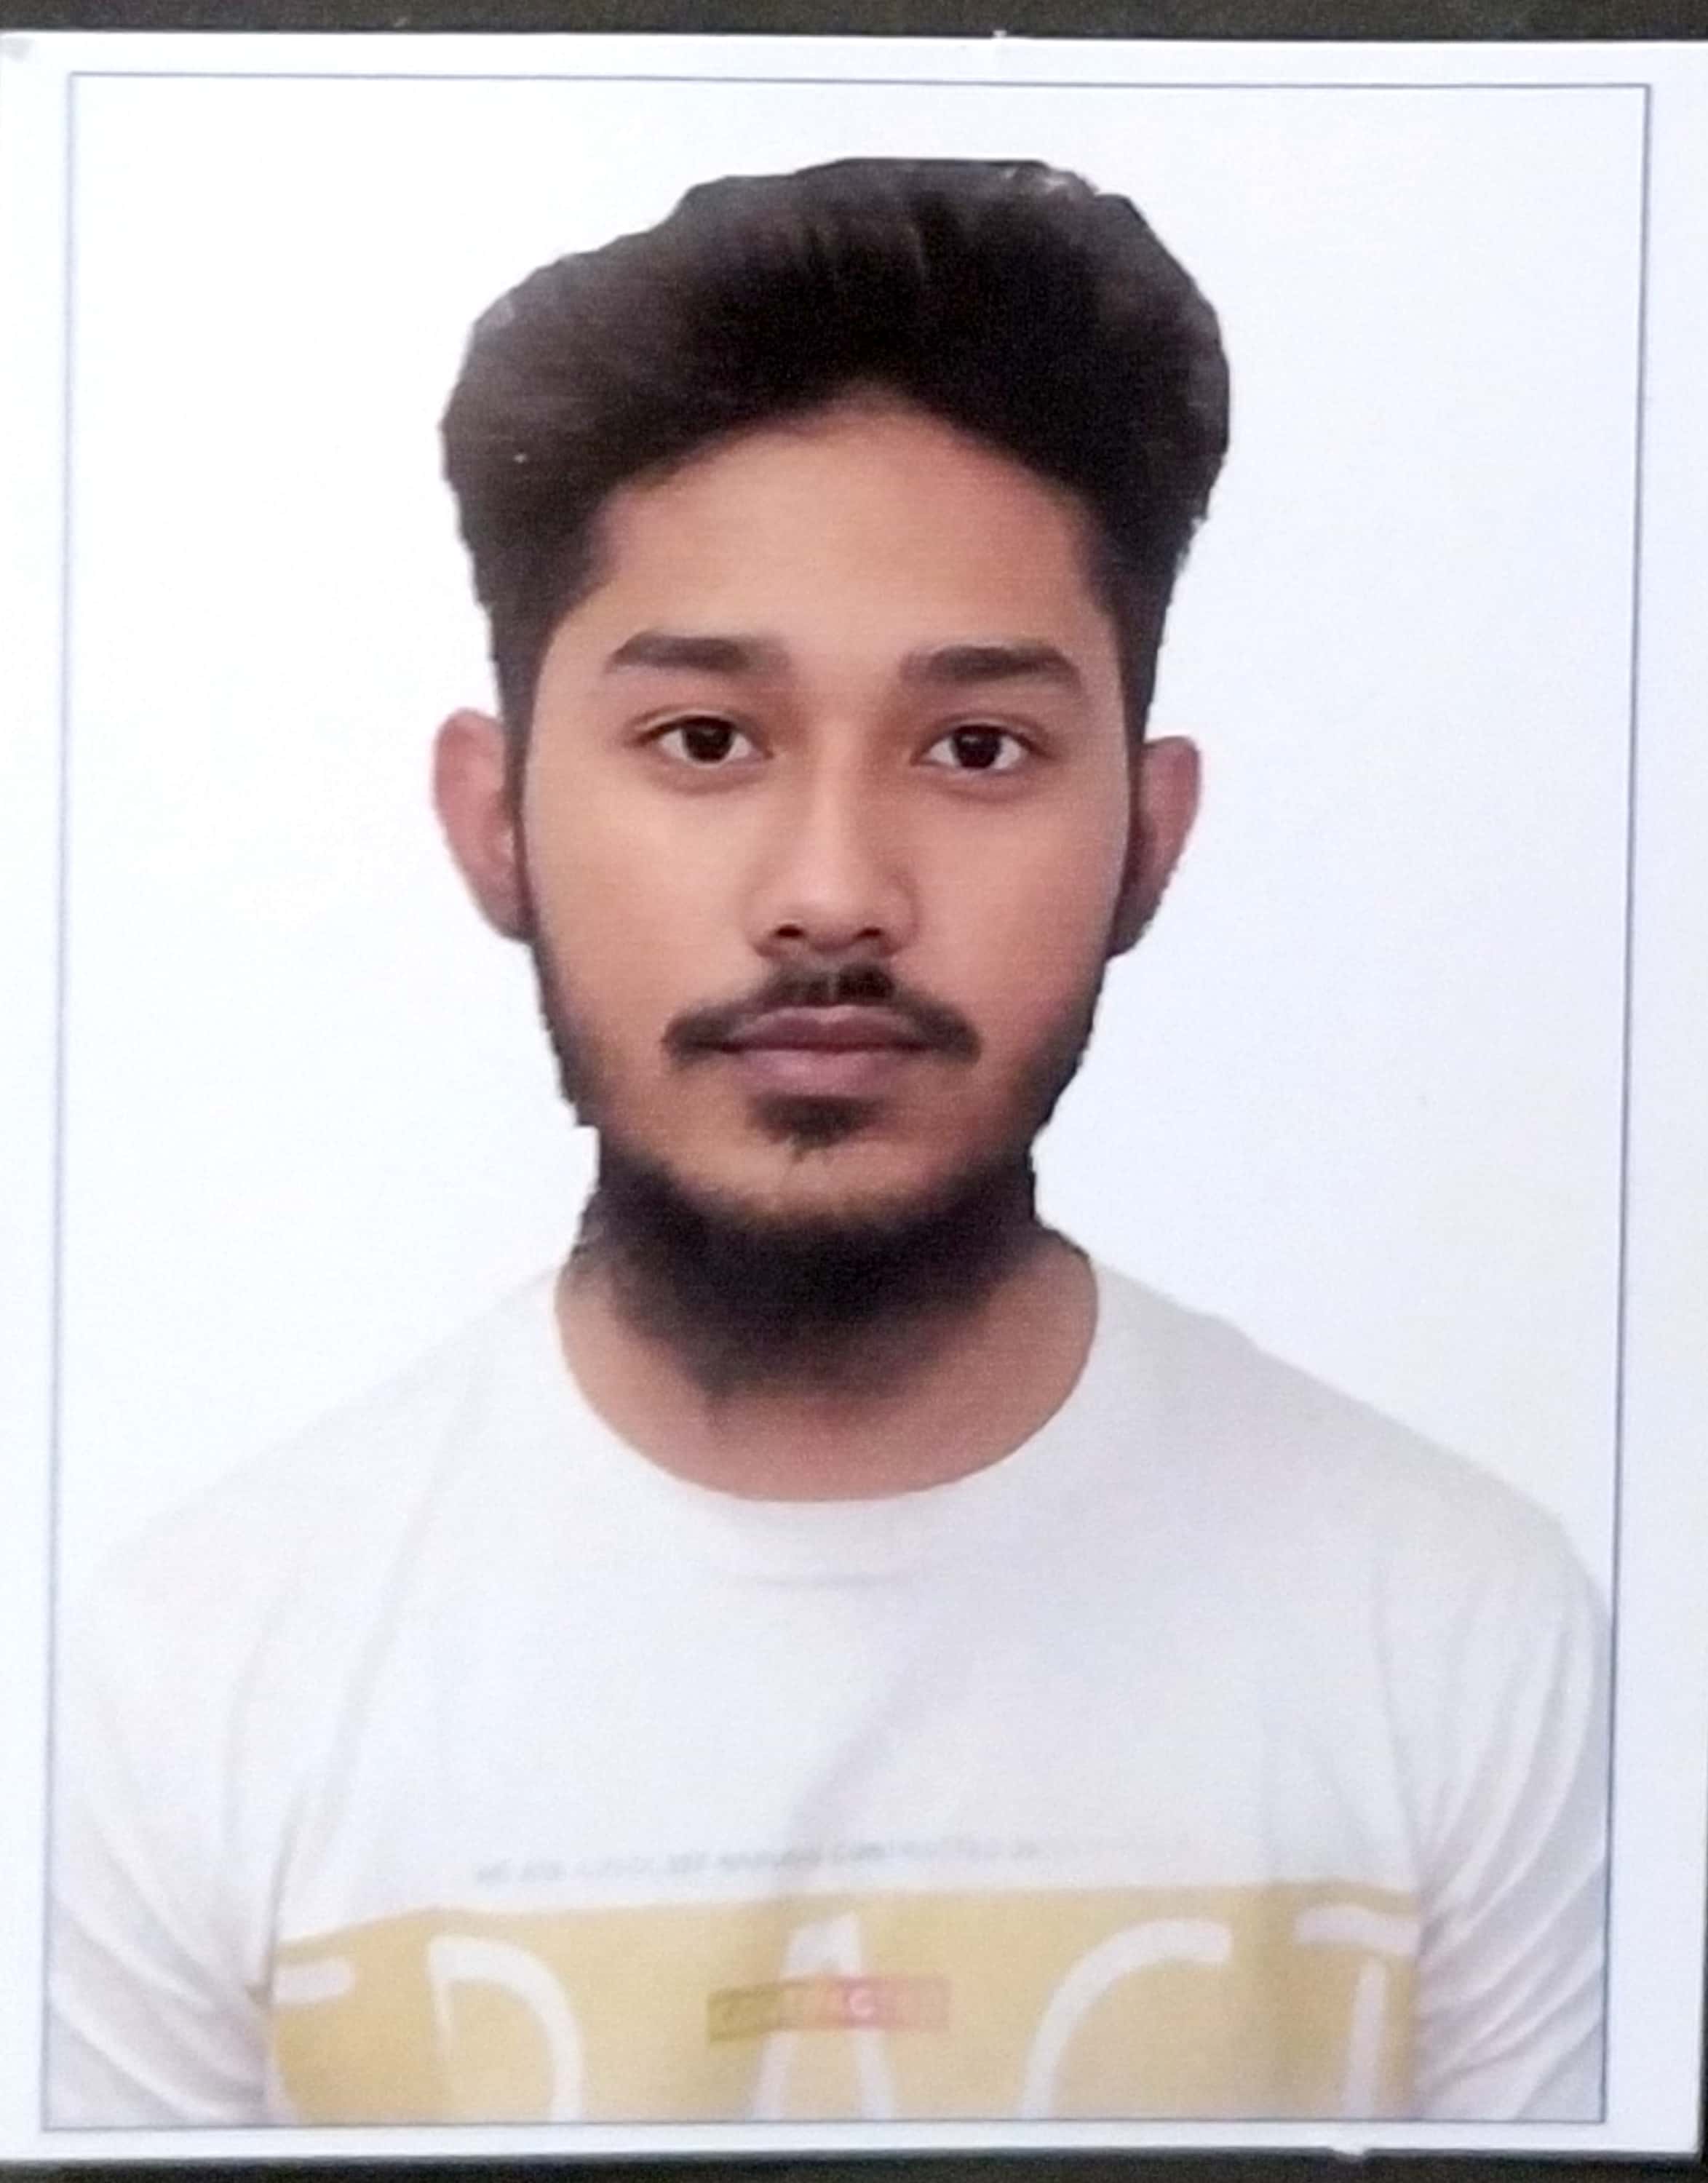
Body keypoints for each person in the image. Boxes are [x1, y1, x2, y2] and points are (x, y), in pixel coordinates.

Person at [48, 157, 1607, 2131]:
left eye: (976, 749)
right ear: (493, 818)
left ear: (1146, 836)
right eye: (705, 739)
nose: (834, 895)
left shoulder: (1454, 1627)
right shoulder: (186, 1680)